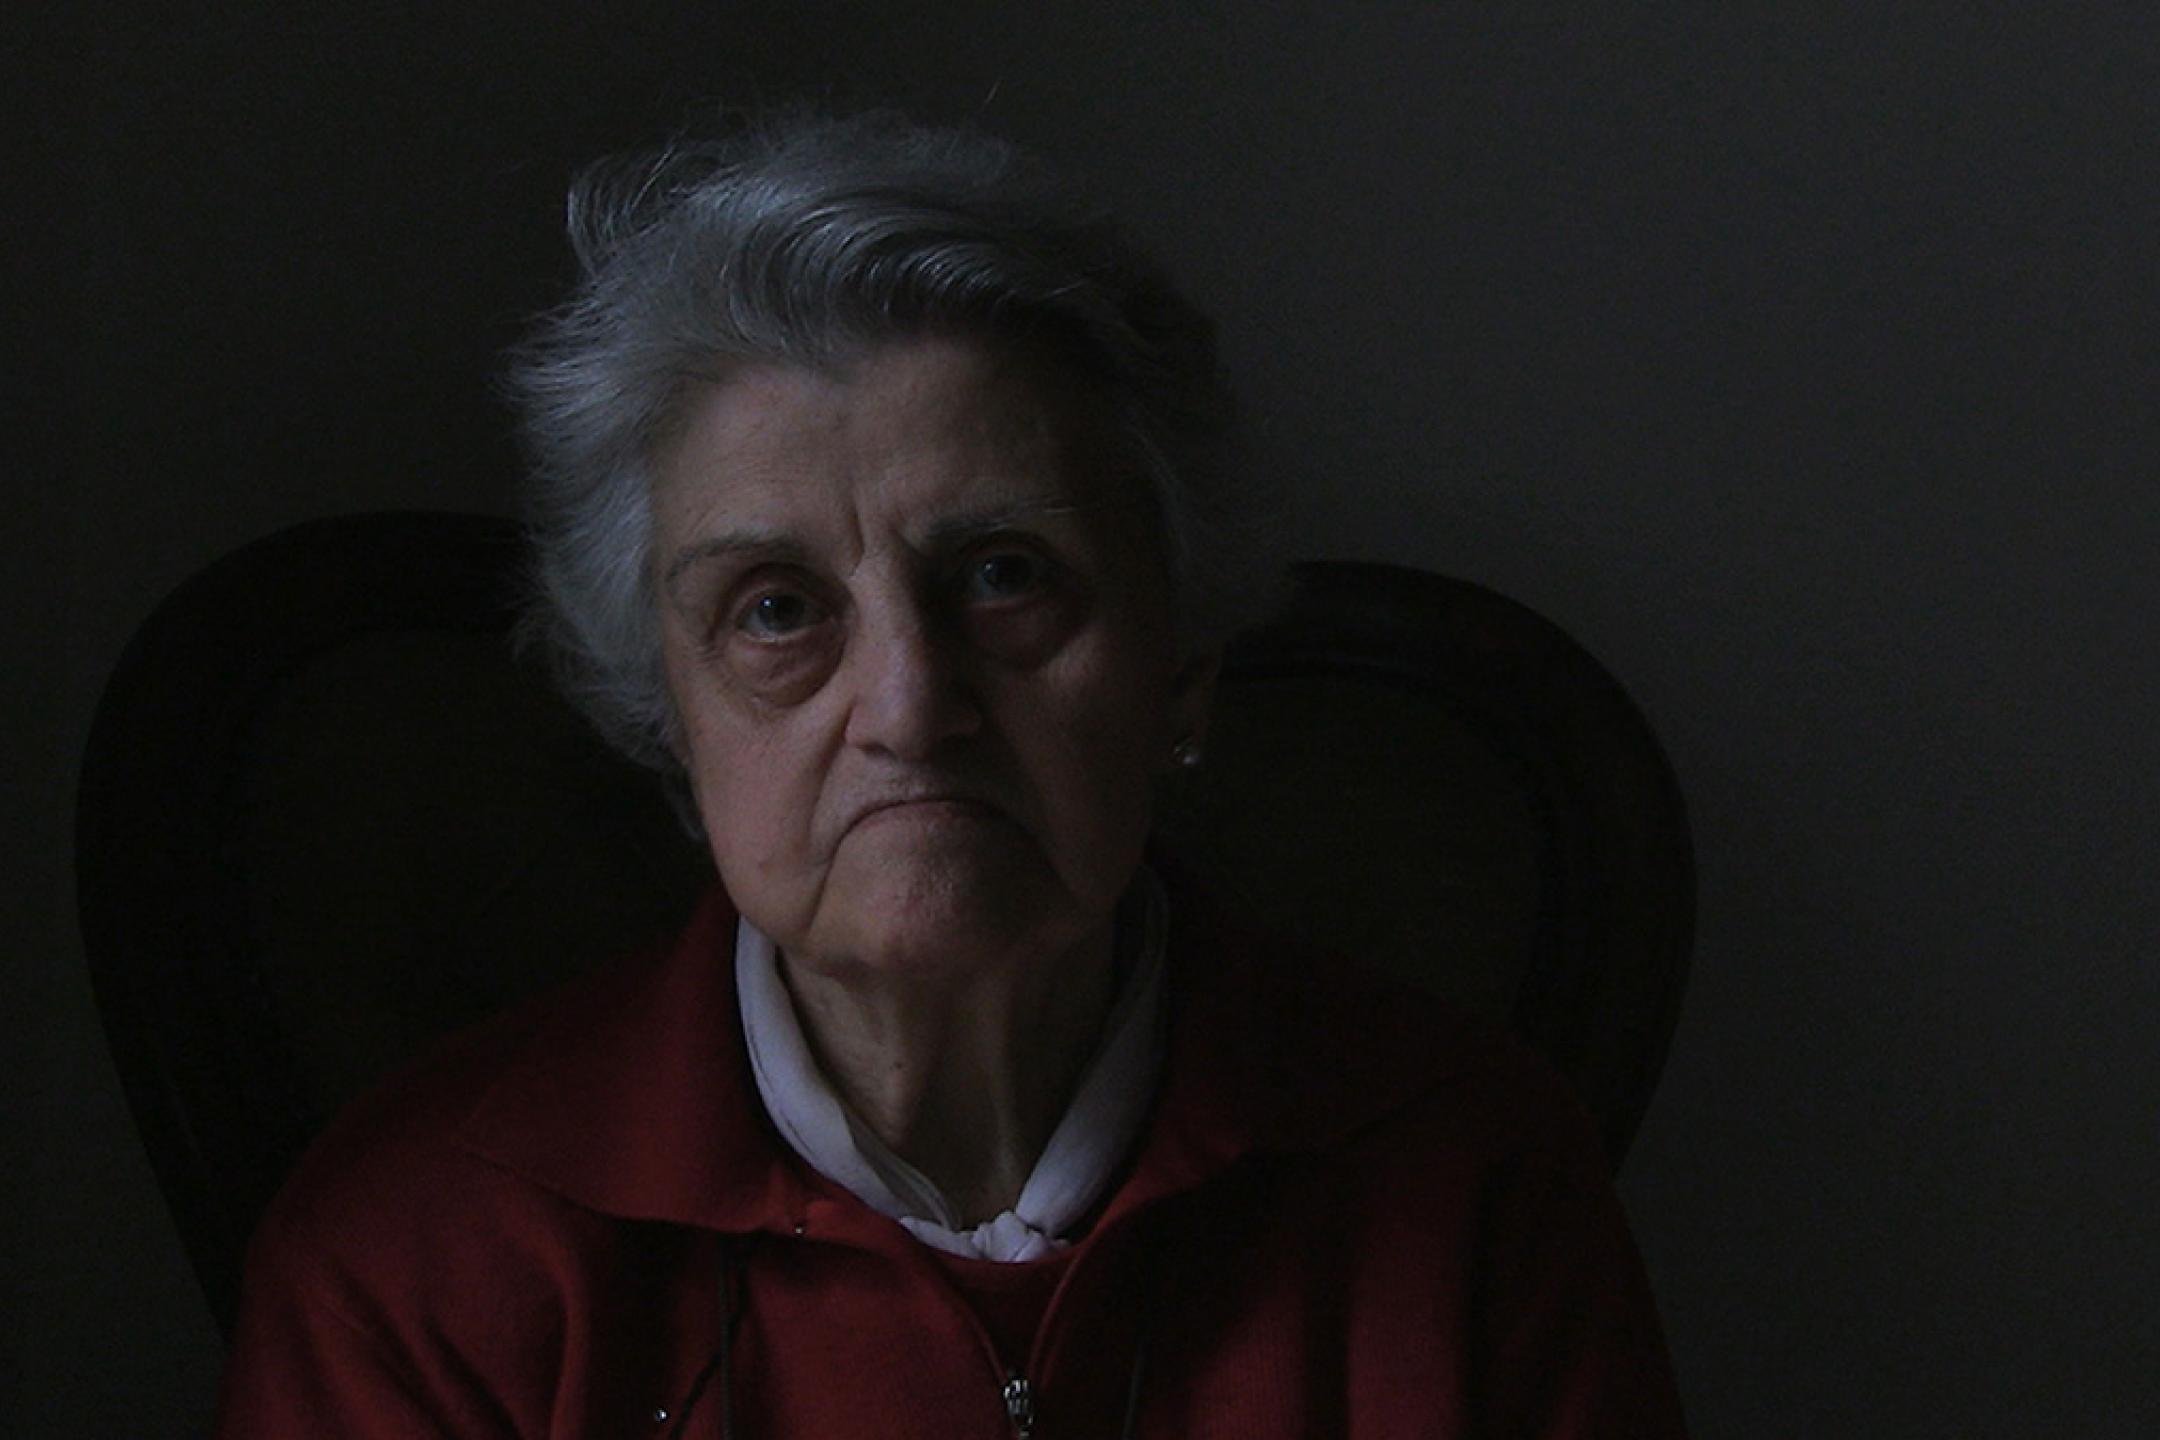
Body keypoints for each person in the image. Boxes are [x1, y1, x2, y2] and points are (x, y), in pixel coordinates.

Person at [214, 110, 1687, 1438]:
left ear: (1179, 669)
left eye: (1003, 577)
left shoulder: (1469, 1180)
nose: (910, 710)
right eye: (777, 610)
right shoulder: (419, 1258)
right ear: (669, 713)